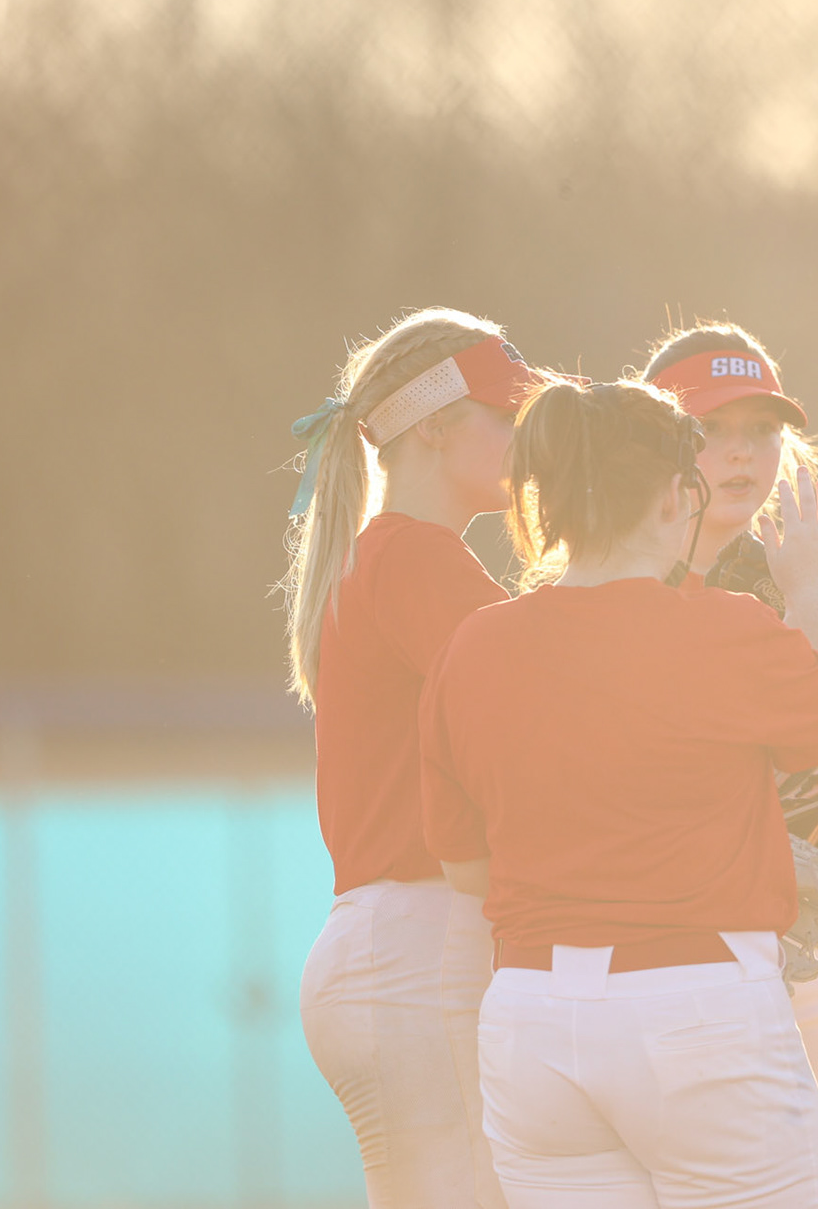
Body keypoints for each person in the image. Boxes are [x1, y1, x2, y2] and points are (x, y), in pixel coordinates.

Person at [418, 377, 818, 1208]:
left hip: (534, 1019)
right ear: (680, 497)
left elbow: (466, 871)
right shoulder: (718, 627)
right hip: (697, 1007)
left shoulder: (475, 645)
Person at [283, 308, 555, 1208]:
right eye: (504, 414)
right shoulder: (416, 560)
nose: (524, 436)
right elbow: (543, 722)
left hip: (389, 945)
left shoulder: (387, 556)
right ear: (434, 424)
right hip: (419, 944)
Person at [643, 321, 818, 1151]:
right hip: (644, 966)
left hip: (788, 954)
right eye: (712, 430)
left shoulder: (799, 569)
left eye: (763, 433)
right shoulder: (603, 572)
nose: (742, 455)